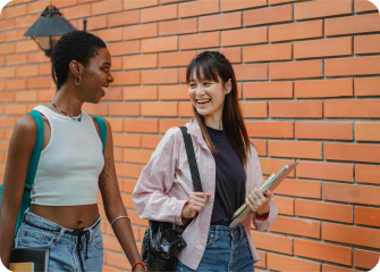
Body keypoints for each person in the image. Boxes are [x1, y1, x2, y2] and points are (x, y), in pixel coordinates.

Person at [0, 31, 145, 272]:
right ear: (76, 68)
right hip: (40, 247)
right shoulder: (32, 125)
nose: (111, 78)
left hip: (91, 248)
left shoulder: (101, 129)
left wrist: (137, 261)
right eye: (105, 68)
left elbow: (115, 205)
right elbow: (8, 207)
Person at [132, 51, 278, 272]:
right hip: (199, 256)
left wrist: (264, 207)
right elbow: (142, 196)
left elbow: (263, 220)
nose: (198, 92)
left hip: (241, 253)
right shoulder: (179, 138)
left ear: (227, 87)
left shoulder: (245, 148)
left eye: (207, 83)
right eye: (192, 84)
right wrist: (182, 208)